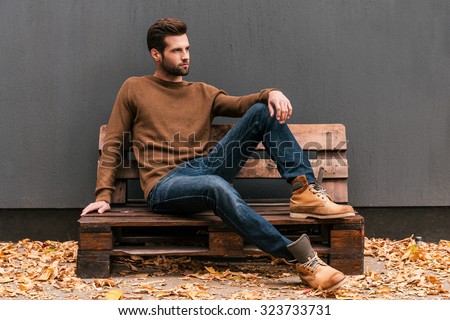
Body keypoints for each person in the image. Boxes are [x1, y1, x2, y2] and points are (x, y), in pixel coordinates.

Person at [82, 18, 356, 291]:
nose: (185, 56)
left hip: (205, 167)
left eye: (187, 48)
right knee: (216, 185)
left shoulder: (203, 92)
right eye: (176, 50)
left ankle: (304, 190)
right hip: (164, 185)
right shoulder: (134, 88)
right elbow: (114, 141)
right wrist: (103, 195)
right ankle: (304, 260)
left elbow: (242, 104)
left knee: (263, 110)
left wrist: (271, 92)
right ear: (156, 54)